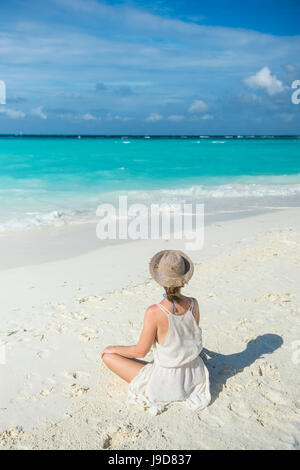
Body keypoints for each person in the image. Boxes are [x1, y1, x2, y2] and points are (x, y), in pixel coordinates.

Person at [102, 250, 211, 415]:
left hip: (168, 382)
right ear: (184, 279)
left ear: (160, 279)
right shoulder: (193, 304)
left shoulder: (155, 311)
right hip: (194, 374)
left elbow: (141, 351)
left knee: (107, 356)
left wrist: (113, 348)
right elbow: (187, 337)